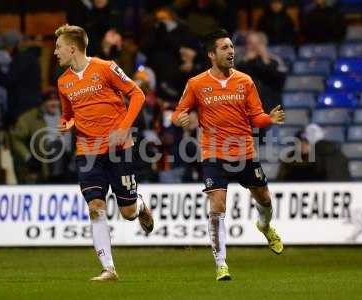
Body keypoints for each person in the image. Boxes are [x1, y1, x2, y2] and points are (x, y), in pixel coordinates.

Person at [172, 29, 285, 281]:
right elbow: (179, 111)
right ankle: (221, 263)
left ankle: (264, 226)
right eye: (224, 48)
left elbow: (255, 116)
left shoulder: (245, 81)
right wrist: (178, 119)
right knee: (218, 205)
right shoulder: (196, 83)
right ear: (212, 54)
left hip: (244, 151)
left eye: (232, 47)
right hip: (213, 154)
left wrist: (269, 118)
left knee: (264, 199)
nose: (231, 51)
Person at [54, 24, 153, 281]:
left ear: (72, 48)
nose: (55, 52)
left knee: (128, 212)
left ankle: (140, 206)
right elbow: (69, 115)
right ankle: (108, 269)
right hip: (87, 151)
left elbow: (138, 94)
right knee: (95, 207)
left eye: (58, 47)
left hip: (119, 148)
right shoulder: (63, 82)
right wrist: (67, 124)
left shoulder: (105, 67)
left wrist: (123, 128)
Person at [10, 89, 75, 184]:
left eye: (56, 100)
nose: (53, 103)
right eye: (49, 100)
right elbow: (16, 139)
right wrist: (28, 157)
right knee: (56, 146)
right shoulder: (30, 118)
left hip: (69, 164)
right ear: (42, 103)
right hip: (44, 166)